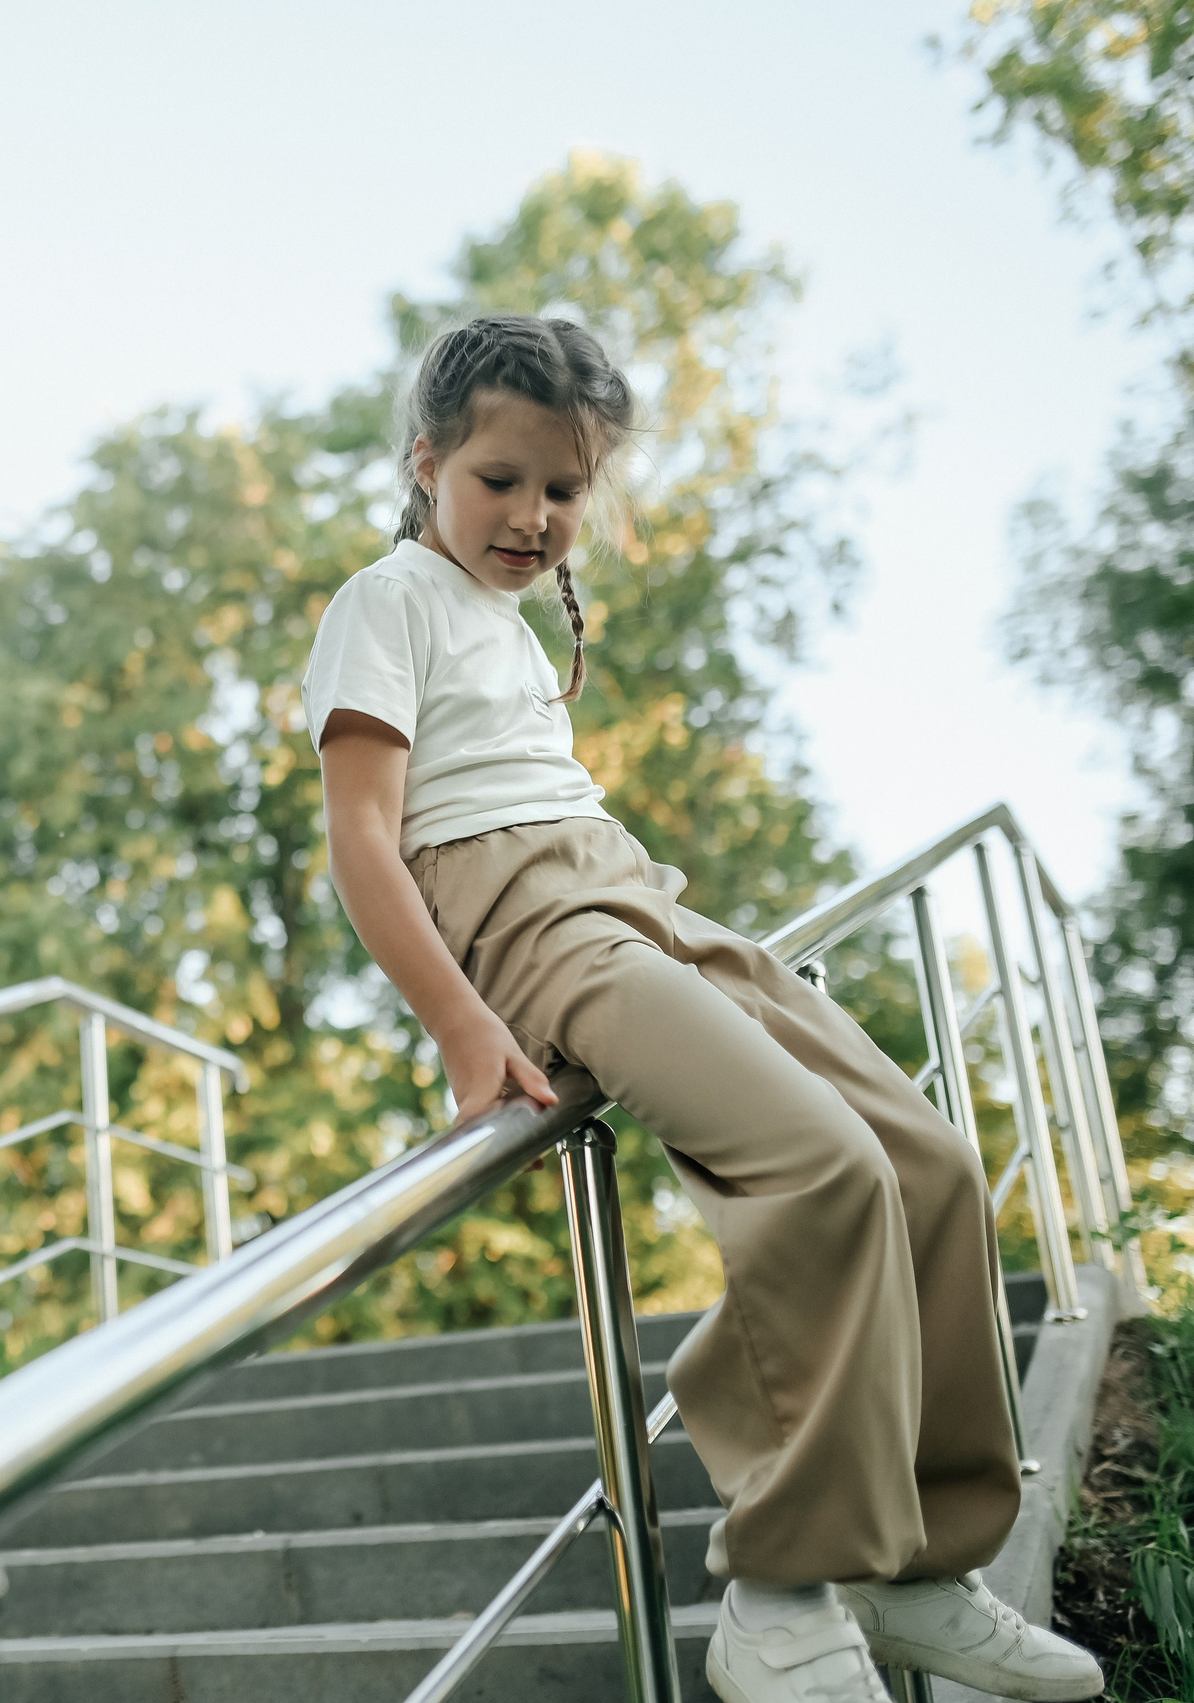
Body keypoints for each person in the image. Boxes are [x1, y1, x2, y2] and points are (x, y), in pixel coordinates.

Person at [305, 315, 1103, 1703]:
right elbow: (364, 836)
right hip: (527, 917)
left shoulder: (512, 617)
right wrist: (459, 1023)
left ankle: (919, 1568)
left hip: (628, 888)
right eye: (499, 478)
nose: (532, 514)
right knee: (822, 1169)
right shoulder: (388, 598)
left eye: (564, 488)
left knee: (926, 1163)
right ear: (425, 460)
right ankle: (781, 1591)